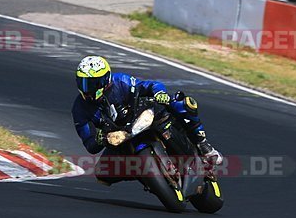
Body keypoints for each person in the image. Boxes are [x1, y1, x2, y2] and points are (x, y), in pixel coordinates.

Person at [72, 56, 222, 184]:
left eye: (91, 83)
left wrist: (160, 93)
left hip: (141, 116)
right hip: (119, 138)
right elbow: (89, 144)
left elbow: (149, 85)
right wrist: (100, 139)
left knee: (183, 104)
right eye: (83, 82)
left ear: (105, 79)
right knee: (102, 173)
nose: (87, 89)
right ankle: (146, 174)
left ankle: (204, 146)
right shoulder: (80, 109)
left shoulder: (120, 81)